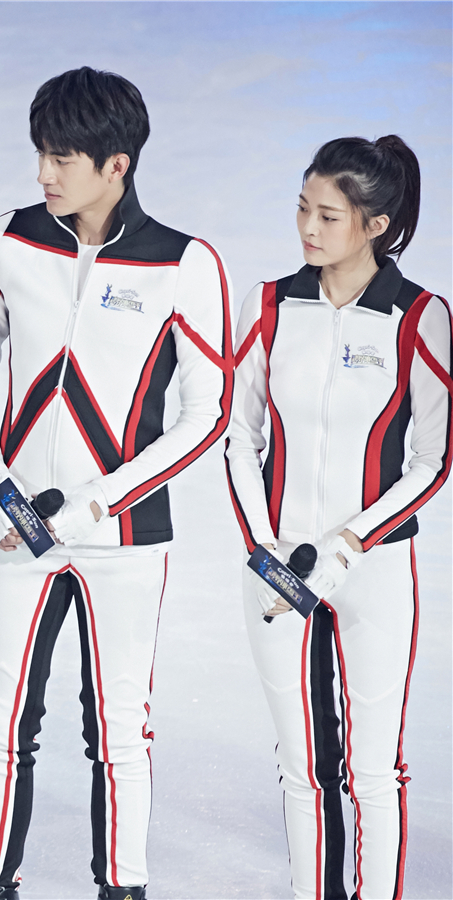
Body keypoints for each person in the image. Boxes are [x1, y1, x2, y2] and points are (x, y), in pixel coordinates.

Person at [0, 67, 233, 900]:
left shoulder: (183, 263)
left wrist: (96, 503)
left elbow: (207, 414)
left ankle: (121, 890)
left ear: (117, 164)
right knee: (0, 724)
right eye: (40, 152)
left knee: (119, 733)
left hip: (124, 541)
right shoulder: (10, 239)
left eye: (62, 157)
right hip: (18, 533)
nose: (44, 172)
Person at [224, 135, 447, 900]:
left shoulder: (418, 317)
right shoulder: (268, 305)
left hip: (374, 572)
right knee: (301, 767)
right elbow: (238, 435)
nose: (307, 229)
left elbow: (433, 460)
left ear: (375, 225)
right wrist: (264, 548)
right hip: (278, 568)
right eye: (302, 209)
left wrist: (350, 543)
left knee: (372, 771)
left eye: (328, 216)